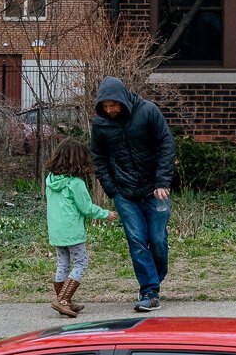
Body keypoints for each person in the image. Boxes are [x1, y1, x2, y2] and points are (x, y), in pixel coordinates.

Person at [89, 76, 176, 312]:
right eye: (105, 107)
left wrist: (162, 181)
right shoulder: (100, 124)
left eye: (113, 105)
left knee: (157, 240)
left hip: (155, 190)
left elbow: (166, 145)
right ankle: (149, 291)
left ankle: (155, 280)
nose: (110, 110)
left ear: (123, 100)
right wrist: (112, 189)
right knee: (137, 241)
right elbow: (99, 157)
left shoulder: (148, 112)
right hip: (124, 193)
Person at [43, 139, 113, 318]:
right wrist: (106, 214)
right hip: (72, 231)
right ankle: (63, 300)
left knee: (63, 264)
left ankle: (64, 300)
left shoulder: (50, 179)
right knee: (81, 263)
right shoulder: (75, 183)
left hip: (56, 231)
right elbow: (87, 208)